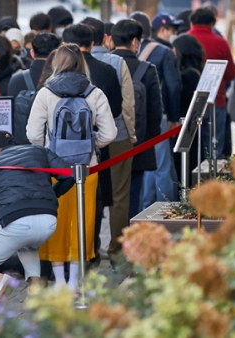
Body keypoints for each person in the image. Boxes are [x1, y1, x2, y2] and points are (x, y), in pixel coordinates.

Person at [27, 44, 117, 290]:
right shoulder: (94, 92)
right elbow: (110, 133)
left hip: (54, 168)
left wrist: (48, 148)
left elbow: (33, 134)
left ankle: (59, 281)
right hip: (87, 167)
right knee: (82, 220)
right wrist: (91, 146)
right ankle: (75, 280)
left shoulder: (46, 92)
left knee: (55, 220)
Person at [0, 131, 75, 297]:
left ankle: (0, 279)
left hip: (16, 220)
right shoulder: (40, 151)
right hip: (49, 220)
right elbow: (70, 176)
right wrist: (52, 196)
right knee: (27, 245)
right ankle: (35, 286)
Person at [62, 23, 123, 266]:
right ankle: (91, 250)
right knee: (94, 200)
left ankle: (63, 256)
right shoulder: (106, 71)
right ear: (94, 42)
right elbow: (116, 110)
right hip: (93, 153)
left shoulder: (52, 81)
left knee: (63, 201)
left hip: (57, 157)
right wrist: (92, 142)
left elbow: (35, 130)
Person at [84, 16, 137, 263]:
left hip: (84, 141)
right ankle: (116, 251)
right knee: (118, 196)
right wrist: (132, 134)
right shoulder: (115, 62)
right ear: (105, 38)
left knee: (89, 193)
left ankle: (90, 248)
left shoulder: (71, 62)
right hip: (117, 137)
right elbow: (127, 104)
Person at [111, 19, 163, 222]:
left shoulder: (103, 66)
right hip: (137, 142)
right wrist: (151, 136)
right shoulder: (147, 69)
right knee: (133, 191)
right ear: (135, 42)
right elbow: (155, 111)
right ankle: (130, 237)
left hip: (105, 142)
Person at [130, 12, 181, 206]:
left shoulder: (120, 55)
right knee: (162, 166)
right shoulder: (163, 52)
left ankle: (145, 208)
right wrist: (174, 117)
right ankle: (164, 210)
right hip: (157, 116)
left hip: (130, 119)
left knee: (146, 166)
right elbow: (173, 86)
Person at [188, 7, 235, 159]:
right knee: (214, 149)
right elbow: (232, 74)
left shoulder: (183, 40)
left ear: (192, 22)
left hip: (190, 103)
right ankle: (213, 181)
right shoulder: (220, 43)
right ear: (212, 23)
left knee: (191, 148)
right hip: (216, 101)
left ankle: (191, 181)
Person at [9, 33, 61, 144]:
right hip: (55, 146)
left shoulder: (16, 80)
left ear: (32, 53)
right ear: (58, 54)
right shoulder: (62, 80)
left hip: (23, 147)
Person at [172, 34, 204, 188]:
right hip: (193, 126)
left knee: (183, 164)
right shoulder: (198, 72)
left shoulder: (186, 76)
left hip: (183, 126)